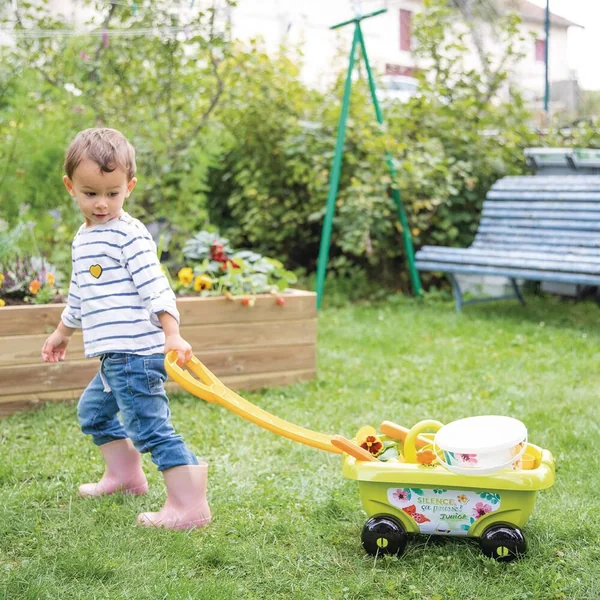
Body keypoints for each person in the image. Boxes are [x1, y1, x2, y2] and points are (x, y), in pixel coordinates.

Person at [41, 128, 210, 530]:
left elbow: (156, 287)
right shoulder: (84, 238)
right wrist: (63, 332)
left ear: (129, 187)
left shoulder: (129, 235)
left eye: (112, 193)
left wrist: (171, 333)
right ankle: (125, 477)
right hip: (113, 358)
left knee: (150, 428)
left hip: (136, 354)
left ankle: (189, 506)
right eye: (90, 193)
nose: (101, 203)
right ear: (70, 187)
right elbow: (80, 293)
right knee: (93, 415)